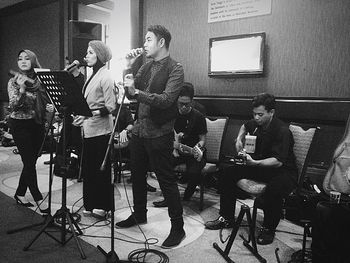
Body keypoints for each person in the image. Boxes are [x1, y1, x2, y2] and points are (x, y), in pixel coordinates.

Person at [115, 25, 185, 248]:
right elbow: (129, 92)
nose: (144, 43)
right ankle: (139, 214)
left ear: (161, 42)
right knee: (137, 175)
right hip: (140, 130)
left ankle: (178, 227)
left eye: (148, 40)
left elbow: (166, 100)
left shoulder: (176, 68)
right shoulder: (145, 66)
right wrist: (126, 68)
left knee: (166, 180)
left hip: (160, 132)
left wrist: (137, 92)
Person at [204, 93, 297, 245]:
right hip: (260, 165)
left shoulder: (282, 131)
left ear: (271, 112)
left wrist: (254, 163)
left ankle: (268, 228)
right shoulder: (255, 123)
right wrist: (239, 139)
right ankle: (227, 218)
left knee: (275, 188)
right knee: (227, 173)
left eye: (260, 114)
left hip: (282, 171)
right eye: (254, 114)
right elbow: (245, 126)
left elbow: (278, 161)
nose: (256, 118)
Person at [71, 40, 116, 218]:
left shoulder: (106, 76)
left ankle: (103, 206)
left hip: (102, 131)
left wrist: (88, 114)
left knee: (101, 170)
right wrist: (83, 116)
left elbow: (110, 107)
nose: (86, 56)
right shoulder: (92, 75)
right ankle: (90, 203)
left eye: (90, 52)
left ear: (100, 55)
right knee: (89, 168)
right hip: (89, 129)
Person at [7, 49, 54, 213]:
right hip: (20, 125)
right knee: (28, 162)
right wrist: (21, 89)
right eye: (20, 59)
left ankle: (20, 193)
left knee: (31, 161)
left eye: (27, 58)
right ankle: (38, 197)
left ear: (33, 61)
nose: (23, 61)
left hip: (37, 123)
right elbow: (13, 106)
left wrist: (51, 106)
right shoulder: (14, 82)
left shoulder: (41, 81)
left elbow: (48, 99)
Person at [153, 82, 207, 207]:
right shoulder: (171, 114)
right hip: (174, 149)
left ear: (192, 102)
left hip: (193, 152)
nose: (183, 107)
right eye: (181, 103)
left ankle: (187, 196)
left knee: (194, 172)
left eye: (187, 104)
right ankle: (170, 197)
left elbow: (203, 139)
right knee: (162, 165)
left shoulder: (198, 116)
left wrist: (198, 148)